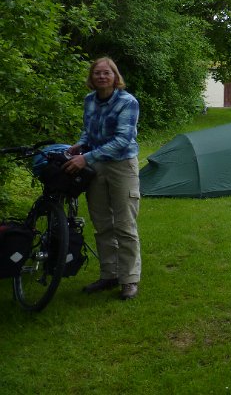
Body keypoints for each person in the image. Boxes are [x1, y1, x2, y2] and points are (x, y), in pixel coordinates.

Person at [62, 57, 141, 300]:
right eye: (97, 73)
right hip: (96, 166)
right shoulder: (89, 100)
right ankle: (109, 274)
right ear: (91, 77)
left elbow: (122, 141)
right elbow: (89, 129)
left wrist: (86, 158)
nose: (101, 77)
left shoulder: (127, 102)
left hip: (121, 166)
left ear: (115, 77)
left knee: (124, 225)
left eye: (106, 73)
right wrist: (81, 144)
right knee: (102, 224)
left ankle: (129, 280)